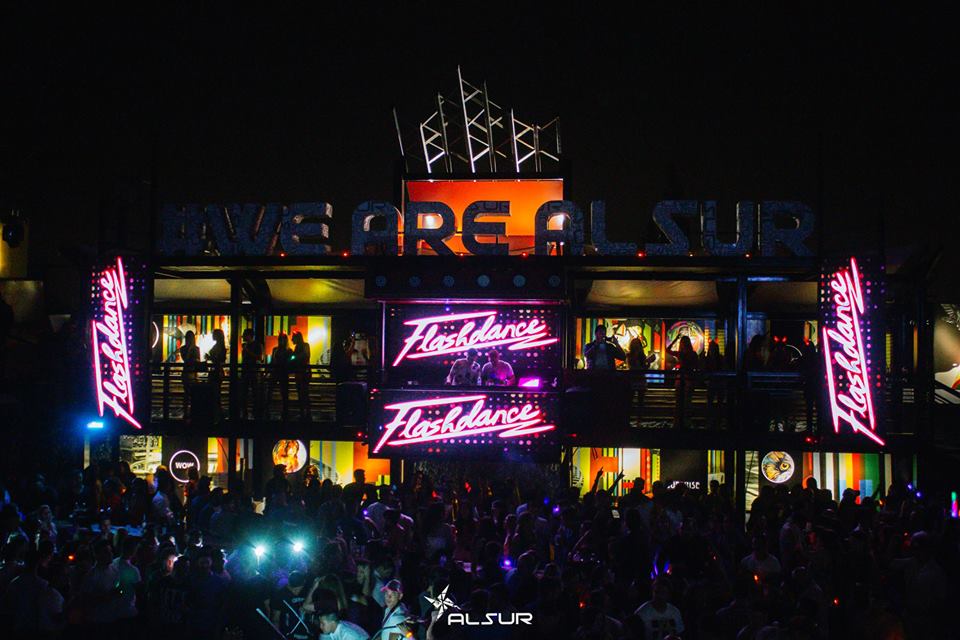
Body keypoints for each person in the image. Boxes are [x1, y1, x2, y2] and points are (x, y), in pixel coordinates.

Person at [666, 334, 699, 428]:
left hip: (680, 378)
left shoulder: (681, 354)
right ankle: (687, 421)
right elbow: (697, 366)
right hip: (689, 378)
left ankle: (678, 421)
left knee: (679, 401)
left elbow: (667, 350)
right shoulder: (693, 354)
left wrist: (675, 339)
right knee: (687, 401)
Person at [626, 335, 656, 418]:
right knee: (631, 398)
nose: (636, 346)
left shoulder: (642, 355)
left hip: (640, 378)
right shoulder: (630, 355)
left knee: (640, 399)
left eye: (637, 344)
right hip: (633, 378)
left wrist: (648, 362)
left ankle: (639, 417)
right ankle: (630, 416)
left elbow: (644, 368)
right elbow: (632, 366)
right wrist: (645, 361)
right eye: (635, 344)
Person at [240, 328, 264, 419]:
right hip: (247, 370)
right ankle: (247, 409)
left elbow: (260, 358)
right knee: (245, 391)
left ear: (249, 335)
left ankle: (254, 410)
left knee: (254, 391)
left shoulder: (256, 345)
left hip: (253, 371)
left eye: (244, 334)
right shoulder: (247, 345)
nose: (243, 336)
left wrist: (248, 352)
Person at [269, 333, 293, 420]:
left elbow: (290, 362)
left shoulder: (285, 350)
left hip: (281, 372)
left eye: (282, 339)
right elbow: (273, 361)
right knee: (272, 390)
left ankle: (284, 409)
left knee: (283, 392)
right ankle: (283, 410)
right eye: (280, 339)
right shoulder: (281, 350)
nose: (280, 341)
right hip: (278, 372)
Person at [205, 328, 227, 421]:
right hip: (217, 371)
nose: (212, 336)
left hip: (216, 371)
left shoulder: (218, 347)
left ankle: (216, 412)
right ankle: (218, 412)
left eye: (214, 334)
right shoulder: (220, 346)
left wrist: (209, 357)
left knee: (215, 392)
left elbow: (219, 359)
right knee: (216, 392)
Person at [291, 331, 312, 420]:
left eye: (293, 338)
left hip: (303, 372)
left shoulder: (304, 346)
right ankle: (304, 412)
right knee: (301, 392)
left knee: (303, 392)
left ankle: (305, 412)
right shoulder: (302, 346)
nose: (292, 339)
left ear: (297, 338)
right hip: (301, 372)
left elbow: (305, 356)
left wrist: (295, 357)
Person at [179, 330, 200, 420]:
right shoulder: (183, 348)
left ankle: (192, 411)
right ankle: (186, 411)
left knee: (192, 392)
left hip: (193, 372)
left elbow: (198, 359)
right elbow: (185, 359)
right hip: (187, 372)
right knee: (186, 392)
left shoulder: (197, 348)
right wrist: (190, 350)